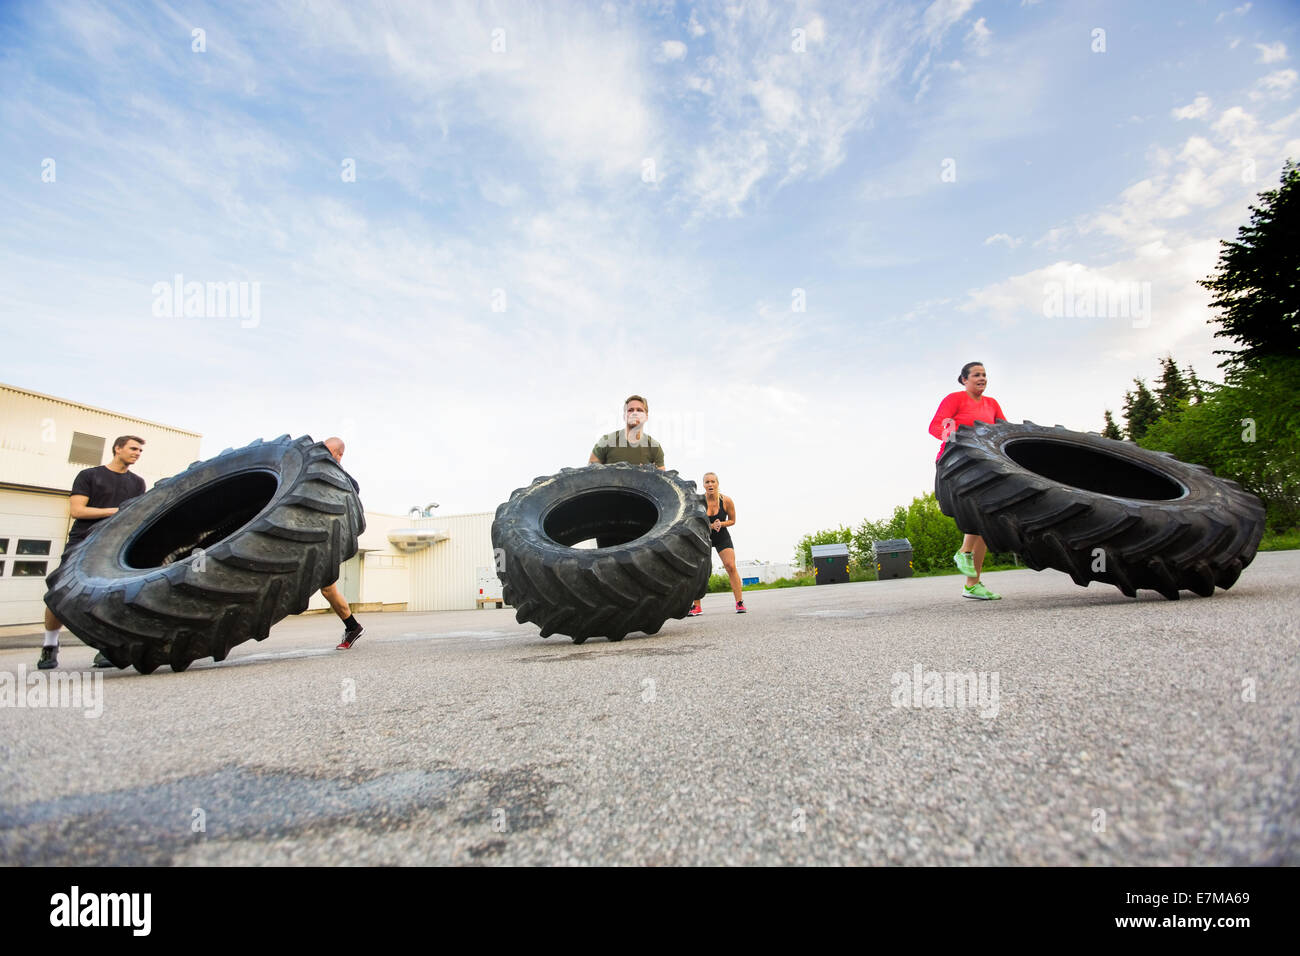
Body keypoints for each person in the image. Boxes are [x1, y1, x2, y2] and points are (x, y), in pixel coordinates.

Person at [39, 436, 147, 670]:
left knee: (115, 595)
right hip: (82, 540)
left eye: (140, 450)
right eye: (133, 448)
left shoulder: (138, 483)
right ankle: (50, 645)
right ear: (117, 449)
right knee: (59, 593)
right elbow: (77, 510)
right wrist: (118, 511)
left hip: (115, 544)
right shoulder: (90, 476)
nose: (137, 453)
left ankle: (106, 648)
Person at [929, 362, 1007, 600]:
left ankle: (972, 584)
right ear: (964, 380)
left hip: (984, 464)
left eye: (984, 375)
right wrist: (959, 437)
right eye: (976, 375)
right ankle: (963, 552)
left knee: (985, 522)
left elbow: (1004, 431)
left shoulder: (992, 404)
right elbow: (935, 426)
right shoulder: (955, 399)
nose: (981, 378)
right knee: (980, 512)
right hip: (957, 463)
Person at [321, 436, 366, 649]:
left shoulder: (344, 479)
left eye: (328, 451)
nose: (323, 454)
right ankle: (353, 626)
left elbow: (354, 490)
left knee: (327, 588)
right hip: (317, 536)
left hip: (328, 538)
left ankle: (353, 626)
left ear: (339, 455)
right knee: (327, 589)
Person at [690, 472, 746, 615]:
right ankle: (696, 606)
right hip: (703, 537)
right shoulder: (698, 502)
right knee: (699, 570)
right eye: (707, 482)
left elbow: (733, 520)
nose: (710, 484)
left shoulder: (726, 501)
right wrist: (709, 526)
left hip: (722, 536)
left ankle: (739, 603)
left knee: (731, 566)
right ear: (703, 485)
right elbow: (692, 523)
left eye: (713, 481)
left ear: (717, 483)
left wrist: (721, 523)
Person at [589, 395, 665, 469]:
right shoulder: (606, 441)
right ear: (624, 416)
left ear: (646, 417)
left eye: (639, 410)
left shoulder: (655, 447)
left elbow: (664, 479)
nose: (635, 413)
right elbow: (590, 471)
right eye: (630, 410)